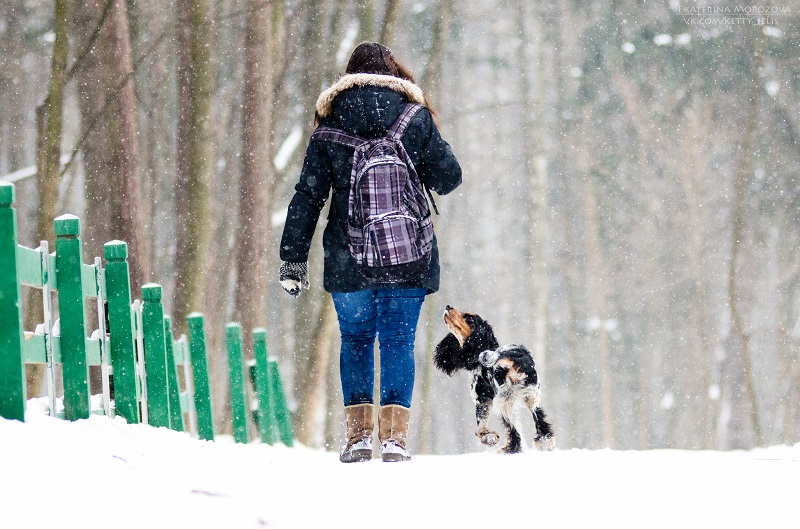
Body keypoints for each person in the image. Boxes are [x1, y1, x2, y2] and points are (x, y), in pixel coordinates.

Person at [278, 42, 462, 462]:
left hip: (349, 258)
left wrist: (293, 257)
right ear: (395, 73)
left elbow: (307, 197)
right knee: (398, 340)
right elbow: (449, 178)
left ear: (347, 78)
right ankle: (394, 441)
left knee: (356, 338)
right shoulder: (414, 118)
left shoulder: (327, 127)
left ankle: (359, 437)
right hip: (408, 253)